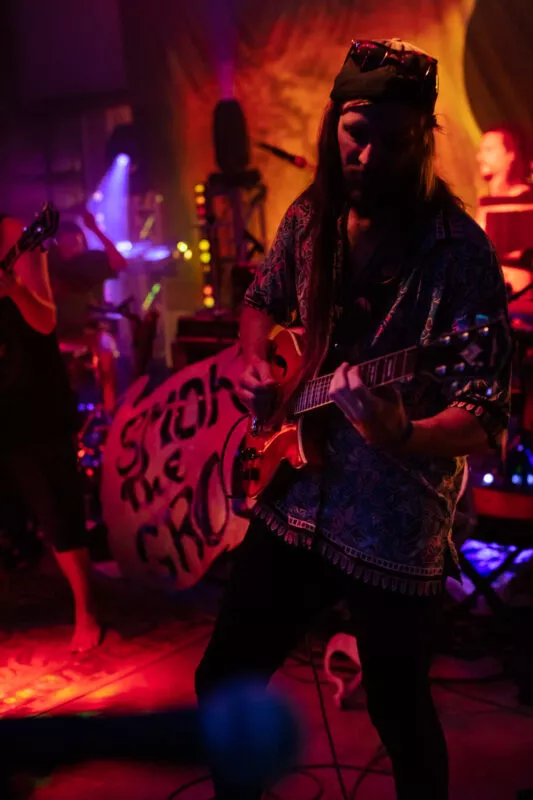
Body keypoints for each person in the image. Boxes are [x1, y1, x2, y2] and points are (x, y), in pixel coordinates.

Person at [195, 39, 512, 799]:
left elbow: (486, 414)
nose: (369, 154)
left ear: (423, 140)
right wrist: (259, 368)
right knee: (223, 678)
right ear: (334, 122)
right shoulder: (309, 219)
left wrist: (407, 435)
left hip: (391, 523)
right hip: (295, 496)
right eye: (356, 132)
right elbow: (261, 301)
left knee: (400, 716)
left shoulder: (457, 253)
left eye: (394, 139)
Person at [0, 215, 101, 652]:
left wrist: (15, 290)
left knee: (57, 511)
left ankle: (87, 612)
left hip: (36, 403)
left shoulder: (17, 238)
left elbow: (45, 321)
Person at [48, 210, 127, 412]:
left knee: (106, 351)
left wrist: (95, 230)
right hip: (55, 336)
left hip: (86, 333)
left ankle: (110, 414)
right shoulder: (49, 265)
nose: (72, 248)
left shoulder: (92, 262)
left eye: (76, 242)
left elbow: (120, 262)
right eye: (67, 244)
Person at [477, 125, 532, 199]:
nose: (479, 157)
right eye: (480, 151)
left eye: (489, 149)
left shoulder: (525, 198)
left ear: (511, 154)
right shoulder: (490, 199)